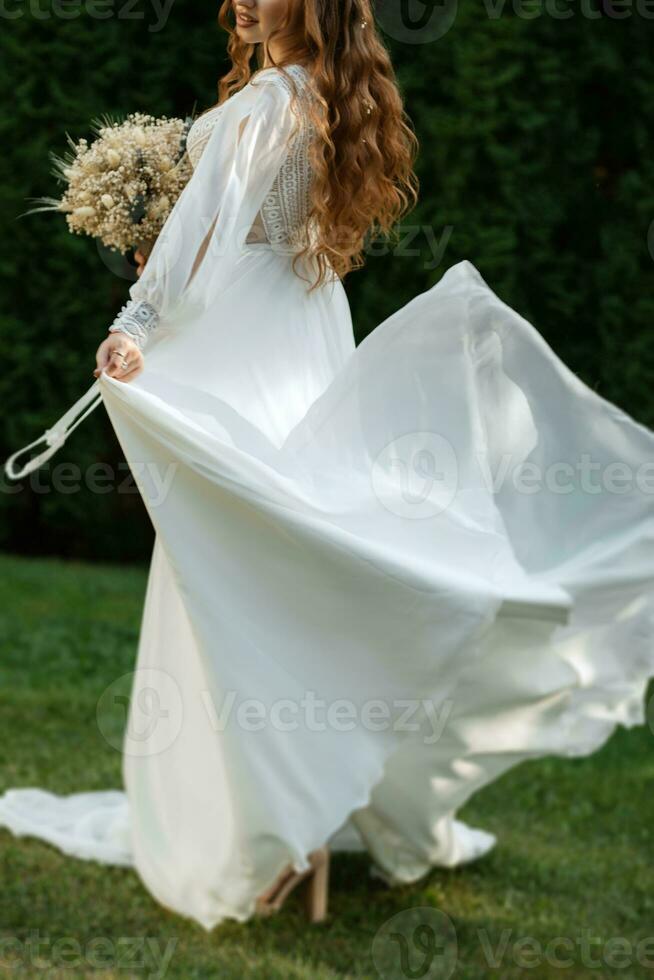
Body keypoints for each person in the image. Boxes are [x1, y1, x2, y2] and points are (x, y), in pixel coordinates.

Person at [2, 0, 654, 933]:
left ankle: (264, 829)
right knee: (287, 563)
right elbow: (248, 234)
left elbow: (207, 230)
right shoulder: (330, 102)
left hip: (244, 350)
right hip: (302, 344)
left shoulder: (270, 98)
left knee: (233, 570)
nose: (245, 1)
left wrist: (135, 320)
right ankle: (296, 815)